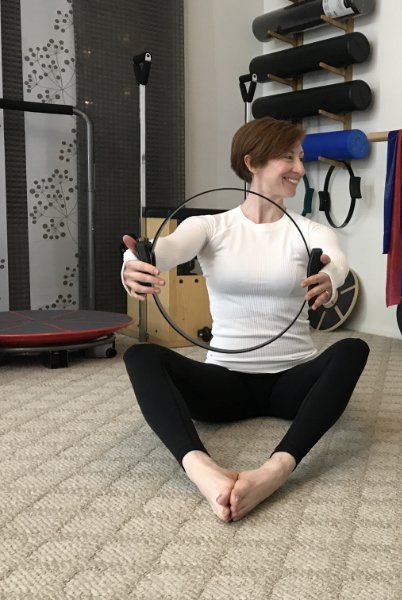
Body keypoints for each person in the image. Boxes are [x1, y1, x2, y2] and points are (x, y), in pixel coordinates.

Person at [120, 117, 369, 522]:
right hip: (224, 383)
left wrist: (329, 277)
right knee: (141, 357)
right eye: (288, 157)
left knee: (352, 350)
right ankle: (202, 471)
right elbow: (161, 249)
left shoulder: (310, 230)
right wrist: (134, 264)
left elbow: (334, 260)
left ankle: (275, 471)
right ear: (251, 163)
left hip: (295, 384)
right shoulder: (209, 226)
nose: (300, 169)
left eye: (301, 158)